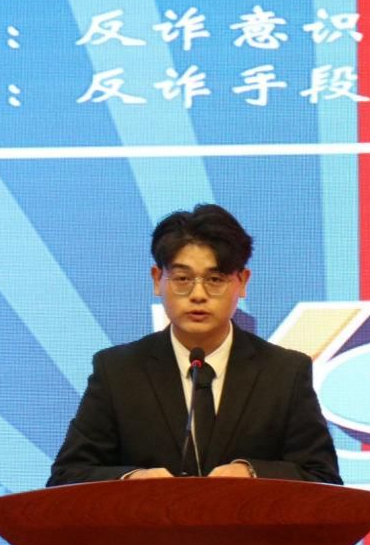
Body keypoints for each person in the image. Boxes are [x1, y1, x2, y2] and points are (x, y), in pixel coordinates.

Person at [47, 203, 341, 485]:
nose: (198, 295)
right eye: (182, 278)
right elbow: (67, 475)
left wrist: (253, 474)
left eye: (215, 279)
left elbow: (322, 476)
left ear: (242, 282)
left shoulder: (284, 372)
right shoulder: (118, 371)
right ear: (157, 279)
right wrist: (132, 481)